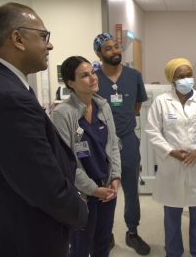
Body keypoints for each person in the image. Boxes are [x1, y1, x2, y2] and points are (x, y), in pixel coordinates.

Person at [0, 2, 88, 256]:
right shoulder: (7, 96)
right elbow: (42, 183)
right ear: (17, 39)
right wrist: (79, 210)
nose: (50, 45)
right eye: (44, 36)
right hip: (22, 235)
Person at [145, 57, 196, 257]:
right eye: (180, 76)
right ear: (172, 79)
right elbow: (153, 131)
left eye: (188, 75)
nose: (186, 79)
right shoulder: (162, 102)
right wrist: (171, 151)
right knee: (172, 214)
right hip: (172, 166)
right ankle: (173, 252)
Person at [51, 56, 121, 257]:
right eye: (84, 75)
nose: (93, 78)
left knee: (103, 243)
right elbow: (65, 162)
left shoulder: (103, 106)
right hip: (82, 194)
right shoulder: (63, 114)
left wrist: (115, 177)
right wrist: (92, 189)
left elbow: (113, 145)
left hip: (107, 190)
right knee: (81, 247)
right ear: (70, 83)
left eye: (93, 72)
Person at [93, 32, 150, 255]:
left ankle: (132, 232)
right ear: (99, 53)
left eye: (116, 47)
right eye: (108, 48)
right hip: (101, 143)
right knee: (105, 189)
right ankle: (105, 233)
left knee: (131, 189)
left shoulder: (134, 76)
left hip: (127, 140)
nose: (115, 51)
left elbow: (137, 105)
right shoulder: (94, 78)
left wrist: (122, 123)